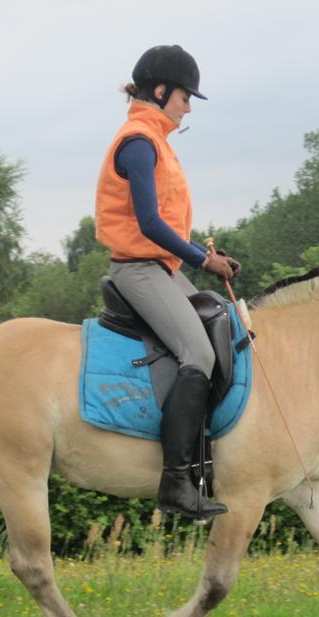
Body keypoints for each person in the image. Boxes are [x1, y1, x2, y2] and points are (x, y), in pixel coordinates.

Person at [95, 45, 240, 520]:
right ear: (160, 91)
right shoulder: (139, 141)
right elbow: (150, 224)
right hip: (138, 269)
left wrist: (204, 254)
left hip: (163, 267)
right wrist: (203, 259)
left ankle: (206, 456)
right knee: (196, 353)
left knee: (221, 320)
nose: (188, 106)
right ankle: (177, 483)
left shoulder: (156, 142)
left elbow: (169, 226)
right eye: (184, 96)